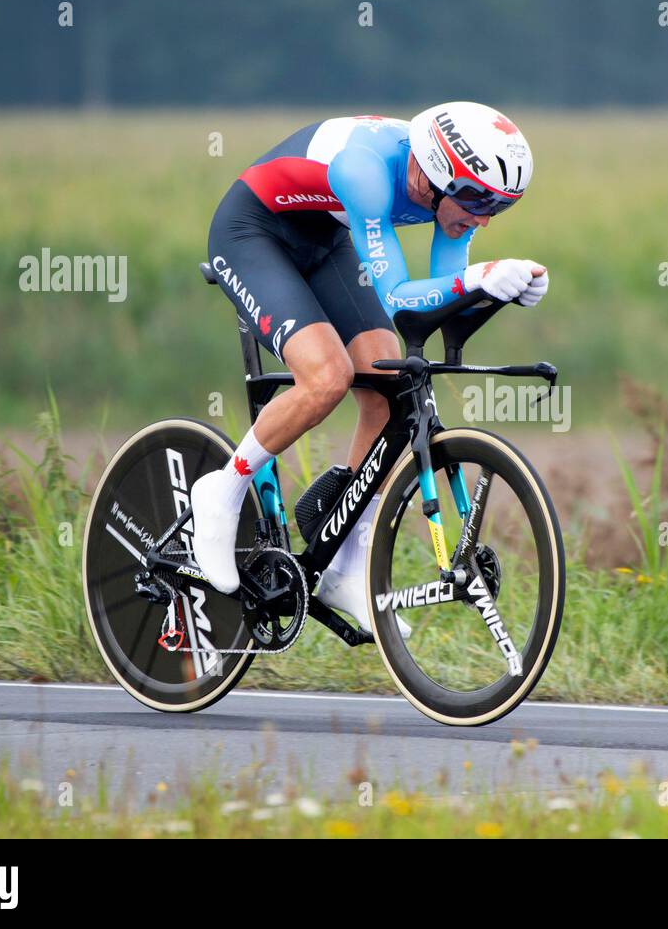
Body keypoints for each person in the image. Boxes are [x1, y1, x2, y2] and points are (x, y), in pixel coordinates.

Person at [191, 102, 548, 639]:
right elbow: (400, 296)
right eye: (476, 197)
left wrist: (495, 288)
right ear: (432, 173)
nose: (482, 217)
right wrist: (479, 277)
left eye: (499, 205)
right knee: (327, 376)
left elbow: (435, 302)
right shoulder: (366, 172)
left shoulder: (448, 194)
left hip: (326, 238)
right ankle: (223, 491)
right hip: (253, 233)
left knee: (389, 385)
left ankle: (345, 565)